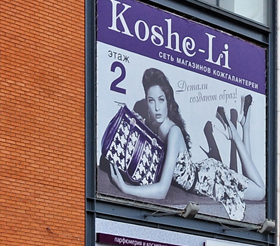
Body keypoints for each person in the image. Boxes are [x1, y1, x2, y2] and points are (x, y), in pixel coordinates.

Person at [107, 68, 265, 220]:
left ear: (167, 100)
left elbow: (162, 190)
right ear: (147, 103)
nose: (156, 107)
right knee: (249, 181)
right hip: (205, 172)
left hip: (211, 179)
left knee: (260, 191)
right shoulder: (157, 126)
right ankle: (244, 125)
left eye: (161, 100)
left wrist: (126, 188)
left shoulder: (173, 132)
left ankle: (237, 133)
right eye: (151, 101)